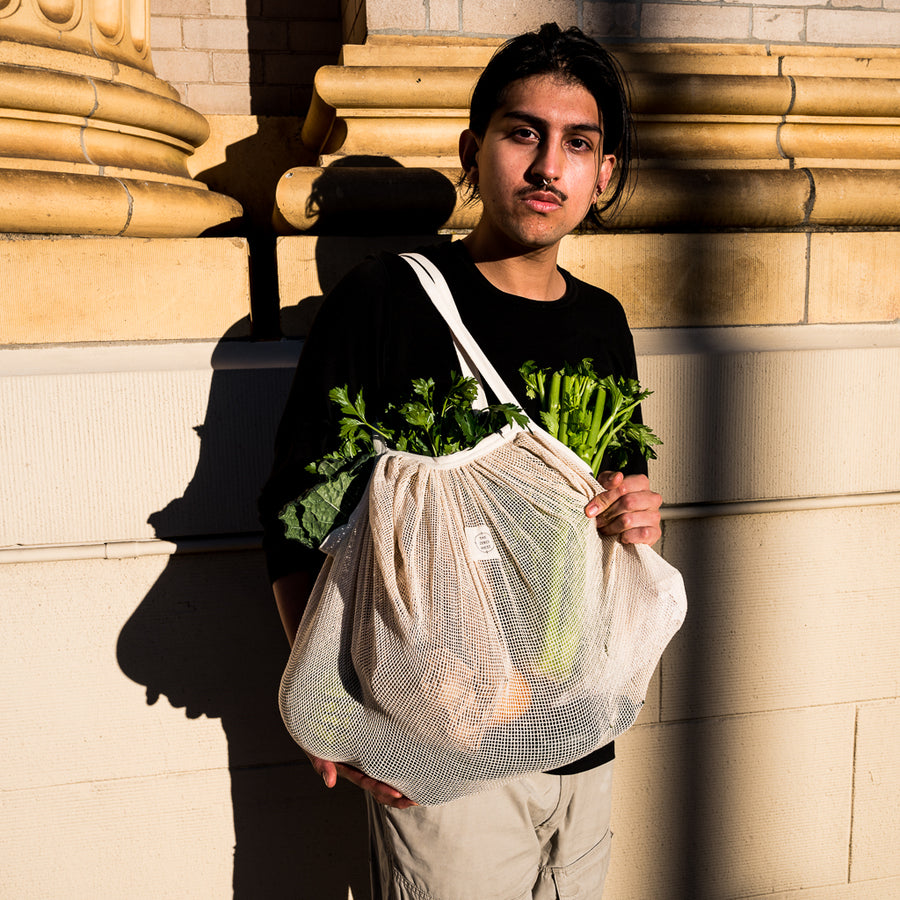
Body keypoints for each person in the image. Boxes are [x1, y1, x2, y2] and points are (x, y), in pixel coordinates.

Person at [258, 22, 663, 900]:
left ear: (605, 172)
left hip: (583, 733)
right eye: (523, 133)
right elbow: (298, 516)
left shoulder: (605, 322)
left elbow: (614, 494)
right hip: (446, 750)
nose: (548, 165)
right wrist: (343, 720)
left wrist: (635, 515)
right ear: (472, 149)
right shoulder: (388, 299)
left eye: (579, 143)